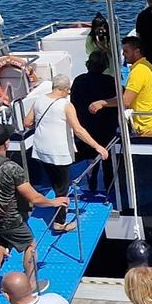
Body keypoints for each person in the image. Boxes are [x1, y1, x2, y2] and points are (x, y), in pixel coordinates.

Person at [0, 122, 68, 287]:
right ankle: (32, 285)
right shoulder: (12, 168)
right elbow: (34, 199)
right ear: (6, 143)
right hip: (9, 220)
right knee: (30, 245)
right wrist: (54, 201)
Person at [28, 72, 110, 228]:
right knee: (62, 188)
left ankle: (55, 210)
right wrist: (97, 146)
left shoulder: (39, 100)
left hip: (41, 150)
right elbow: (78, 130)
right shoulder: (66, 105)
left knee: (55, 183)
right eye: (68, 90)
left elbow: (27, 122)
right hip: (59, 152)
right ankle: (60, 223)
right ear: (64, 89)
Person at [70, 49, 121, 200]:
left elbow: (74, 103)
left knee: (91, 155)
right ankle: (109, 187)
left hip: (86, 126)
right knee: (107, 159)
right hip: (106, 126)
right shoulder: (110, 81)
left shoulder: (79, 81)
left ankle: (92, 182)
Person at [120, 35, 152, 137]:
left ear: (137, 52)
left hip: (146, 127)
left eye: (126, 51)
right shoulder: (149, 66)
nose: (123, 54)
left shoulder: (139, 71)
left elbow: (125, 101)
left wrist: (103, 103)